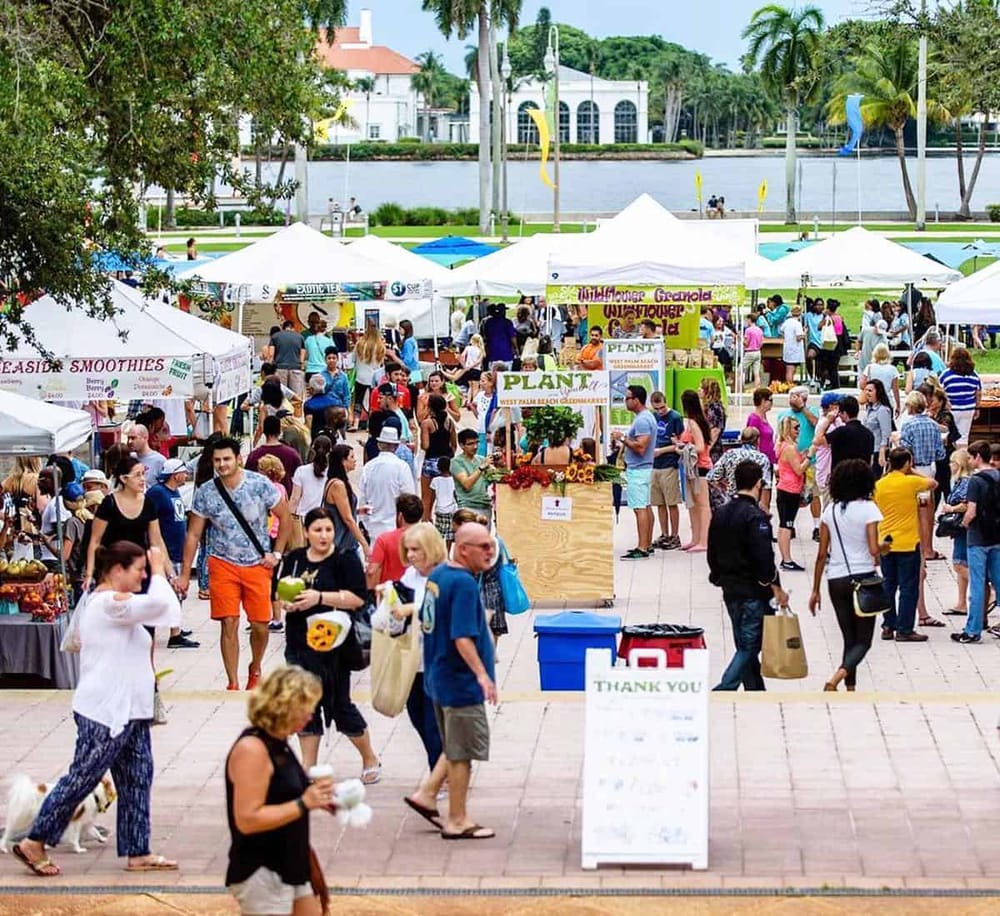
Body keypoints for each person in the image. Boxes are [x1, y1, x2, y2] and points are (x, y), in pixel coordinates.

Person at [13, 543, 180, 878]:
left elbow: (164, 614)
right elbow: (167, 610)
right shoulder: (108, 604)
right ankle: (35, 840)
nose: (144, 577)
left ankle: (138, 850)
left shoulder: (117, 605)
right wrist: (159, 569)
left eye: (145, 571)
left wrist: (154, 572)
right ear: (117, 570)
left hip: (130, 712)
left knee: (137, 778)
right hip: (105, 712)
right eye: (138, 570)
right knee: (83, 777)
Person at [178, 438, 290, 691]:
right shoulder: (206, 492)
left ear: (238, 459)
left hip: (257, 562)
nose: (222, 464)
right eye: (217, 460)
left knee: (260, 624)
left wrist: (277, 553)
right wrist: (185, 573)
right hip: (221, 562)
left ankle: (255, 666)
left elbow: (285, 517)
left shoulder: (259, 484)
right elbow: (193, 534)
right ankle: (232, 682)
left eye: (227, 459)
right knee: (228, 622)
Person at [225, 665, 330, 916]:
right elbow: (247, 819)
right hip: (262, 871)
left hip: (290, 863)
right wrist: (303, 803)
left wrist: (322, 797)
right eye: (305, 708)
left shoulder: (278, 743)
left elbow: (284, 792)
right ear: (285, 707)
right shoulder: (252, 750)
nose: (310, 716)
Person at [279, 509, 377, 778]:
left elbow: (358, 598)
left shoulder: (345, 559)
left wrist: (320, 597)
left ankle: (369, 757)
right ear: (307, 532)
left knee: (339, 705)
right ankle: (308, 767)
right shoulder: (296, 559)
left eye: (328, 530)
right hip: (300, 643)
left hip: (335, 645)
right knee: (305, 705)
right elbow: (281, 591)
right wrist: (288, 603)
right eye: (317, 530)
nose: (323, 536)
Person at [420, 520, 498, 840]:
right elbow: (462, 637)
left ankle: (431, 797)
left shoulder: (438, 575)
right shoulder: (464, 584)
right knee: (461, 752)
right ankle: (457, 819)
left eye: (491, 545)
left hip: (438, 678)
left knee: (453, 748)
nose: (490, 552)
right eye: (484, 546)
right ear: (463, 550)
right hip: (460, 683)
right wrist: (482, 675)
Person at [373, 524, 449, 825]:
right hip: (413, 661)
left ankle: (438, 778)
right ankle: (441, 772)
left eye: (416, 549)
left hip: (437, 660)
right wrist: (389, 599)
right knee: (417, 715)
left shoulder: (446, 576)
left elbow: (441, 609)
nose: (411, 555)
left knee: (432, 724)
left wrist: (411, 609)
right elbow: (398, 603)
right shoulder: (410, 576)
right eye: (408, 550)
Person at [707, 461, 788, 692]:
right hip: (753, 591)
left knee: (743, 642)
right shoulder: (755, 517)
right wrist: (775, 586)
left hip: (730, 588)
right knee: (750, 646)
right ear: (758, 483)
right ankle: (724, 689)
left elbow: (712, 551)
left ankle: (755, 690)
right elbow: (764, 558)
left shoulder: (721, 512)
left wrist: (718, 576)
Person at [809, 460, 884, 692]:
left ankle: (850, 688)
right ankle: (837, 677)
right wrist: (885, 547)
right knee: (864, 641)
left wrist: (815, 590)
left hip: (836, 578)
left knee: (849, 638)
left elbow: (821, 554)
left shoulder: (830, 511)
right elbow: (873, 549)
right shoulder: (868, 508)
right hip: (863, 578)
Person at [874, 447, 936, 643]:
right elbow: (933, 483)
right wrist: (913, 471)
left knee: (888, 585)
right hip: (907, 542)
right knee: (908, 587)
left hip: (885, 541)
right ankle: (904, 629)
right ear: (907, 463)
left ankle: (887, 625)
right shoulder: (911, 482)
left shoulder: (879, 484)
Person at [84, 456, 172, 589]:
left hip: (140, 568)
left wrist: (169, 574)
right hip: (114, 569)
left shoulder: (148, 503)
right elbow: (95, 541)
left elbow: (157, 542)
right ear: (124, 479)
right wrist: (89, 574)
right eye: (137, 475)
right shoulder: (109, 504)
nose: (142, 479)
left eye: (143, 474)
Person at [145, 459, 200, 649]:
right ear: (175, 474)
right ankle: (174, 634)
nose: (186, 475)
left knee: (178, 592)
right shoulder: (158, 493)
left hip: (178, 548)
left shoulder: (173, 492)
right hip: (167, 549)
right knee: (173, 590)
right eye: (184, 472)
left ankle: (176, 627)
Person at [952, 440, 1000, 644]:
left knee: (978, 583)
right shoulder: (998, 476)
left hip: (978, 537)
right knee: (998, 580)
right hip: (997, 536)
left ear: (978, 457)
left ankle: (973, 629)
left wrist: (963, 524)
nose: (970, 461)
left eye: (971, 457)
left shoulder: (975, 481)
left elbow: (971, 511)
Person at [613, 385, 657, 560]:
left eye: (627, 398)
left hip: (639, 469)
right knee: (645, 506)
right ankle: (647, 543)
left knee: (640, 508)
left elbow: (640, 447)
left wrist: (622, 438)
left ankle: (642, 547)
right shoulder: (645, 417)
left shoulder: (642, 420)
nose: (625, 401)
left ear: (636, 400)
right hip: (643, 468)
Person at [360, 428, 418, 543]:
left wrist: (364, 523)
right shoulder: (402, 467)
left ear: (379, 445)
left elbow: (362, 500)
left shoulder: (368, 467)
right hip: (395, 529)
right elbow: (410, 499)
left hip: (373, 529)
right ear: (396, 447)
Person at [780, 386, 821, 541]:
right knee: (791, 494)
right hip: (790, 462)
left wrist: (803, 408)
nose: (792, 400)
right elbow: (779, 435)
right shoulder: (784, 414)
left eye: (796, 396)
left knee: (814, 494)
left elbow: (817, 425)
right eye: (791, 396)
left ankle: (816, 526)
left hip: (810, 461)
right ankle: (790, 525)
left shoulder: (812, 411)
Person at [321, 443, 371, 560]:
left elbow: (342, 510)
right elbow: (347, 518)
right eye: (351, 457)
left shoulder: (341, 482)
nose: (355, 460)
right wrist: (364, 543)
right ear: (343, 461)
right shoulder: (338, 485)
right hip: (341, 543)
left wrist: (357, 511)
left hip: (346, 541)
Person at [677, 389, 712, 552]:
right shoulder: (696, 421)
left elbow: (700, 447)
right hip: (692, 467)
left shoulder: (693, 423)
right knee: (693, 505)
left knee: (703, 505)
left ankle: (704, 541)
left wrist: (684, 448)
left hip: (700, 468)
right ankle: (696, 538)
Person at [649, 391, 685, 550]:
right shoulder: (653, 417)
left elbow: (681, 443)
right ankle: (664, 533)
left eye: (662, 408)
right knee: (659, 502)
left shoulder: (675, 417)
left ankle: (675, 535)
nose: (660, 411)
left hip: (669, 463)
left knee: (671, 502)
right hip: (655, 464)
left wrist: (662, 451)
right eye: (657, 409)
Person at [774, 416, 810, 572]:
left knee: (784, 524)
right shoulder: (789, 448)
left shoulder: (782, 445)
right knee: (787, 525)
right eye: (796, 428)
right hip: (790, 489)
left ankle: (785, 558)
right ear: (788, 429)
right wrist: (809, 457)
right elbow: (799, 470)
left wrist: (802, 456)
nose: (798, 431)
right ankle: (787, 559)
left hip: (784, 488)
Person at [366, 493, 425, 588]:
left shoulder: (384, 540)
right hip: (418, 592)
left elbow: (372, 571)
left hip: (390, 593)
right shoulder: (428, 539)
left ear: (400, 516)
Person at [707, 427, 772, 506]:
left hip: (730, 503)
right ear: (758, 440)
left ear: (741, 439)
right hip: (752, 504)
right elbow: (766, 486)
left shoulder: (729, 454)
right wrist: (765, 508)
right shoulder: (762, 458)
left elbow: (711, 477)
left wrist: (723, 486)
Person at [942, 448, 972, 617]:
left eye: (952, 462)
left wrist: (950, 508)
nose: (950, 465)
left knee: (959, 564)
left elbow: (966, 504)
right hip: (960, 529)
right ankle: (961, 603)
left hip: (963, 527)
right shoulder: (959, 481)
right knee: (963, 564)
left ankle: (987, 589)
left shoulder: (965, 482)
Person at [419, 394, 457, 521]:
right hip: (446, 462)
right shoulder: (450, 423)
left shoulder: (427, 423)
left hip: (431, 460)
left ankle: (426, 519)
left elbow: (425, 445)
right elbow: (454, 445)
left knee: (426, 496)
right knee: (443, 494)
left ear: (430, 407)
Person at [246, 415, 302, 498]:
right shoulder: (292, 453)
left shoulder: (254, 455)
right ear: (280, 431)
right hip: (286, 498)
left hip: (261, 499)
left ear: (264, 431)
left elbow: (247, 479)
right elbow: (300, 477)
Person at [939, 346, 982, 445]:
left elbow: (940, 390)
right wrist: (977, 408)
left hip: (951, 409)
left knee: (949, 435)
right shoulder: (974, 374)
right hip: (968, 409)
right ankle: (962, 452)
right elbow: (978, 392)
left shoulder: (946, 374)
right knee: (964, 436)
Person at [452, 428, 494, 519]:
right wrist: (481, 468)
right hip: (468, 507)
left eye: (477, 443)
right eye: (470, 444)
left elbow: (494, 477)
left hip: (485, 506)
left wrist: (499, 464)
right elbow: (467, 484)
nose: (475, 447)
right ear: (461, 445)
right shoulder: (456, 462)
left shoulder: (481, 459)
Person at [824, 395, 874, 470]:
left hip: (841, 474)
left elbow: (818, 440)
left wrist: (828, 421)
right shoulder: (869, 434)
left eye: (840, 412)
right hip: (862, 474)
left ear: (845, 413)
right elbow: (870, 461)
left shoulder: (840, 432)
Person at [862, 379, 894, 478]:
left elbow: (886, 433)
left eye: (870, 391)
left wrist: (882, 451)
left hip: (877, 450)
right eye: (866, 390)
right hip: (868, 449)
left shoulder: (883, 410)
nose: (867, 393)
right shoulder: (869, 408)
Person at [860, 343, 902, 417]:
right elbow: (895, 390)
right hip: (887, 400)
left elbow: (862, 385)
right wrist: (898, 405)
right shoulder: (893, 369)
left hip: (872, 400)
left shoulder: (869, 367)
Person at [430, 456, 458, 541]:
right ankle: (448, 549)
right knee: (450, 535)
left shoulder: (435, 480)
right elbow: (456, 496)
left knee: (439, 534)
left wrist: (429, 512)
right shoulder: (454, 480)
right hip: (451, 510)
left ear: (438, 467)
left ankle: (440, 548)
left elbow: (432, 498)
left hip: (440, 510)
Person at [481, 303, 517, 369]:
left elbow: (485, 337)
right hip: (506, 354)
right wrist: (516, 348)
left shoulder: (488, 322)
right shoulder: (507, 322)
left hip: (492, 353)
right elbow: (513, 337)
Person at [700, 378, 727, 465]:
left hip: (713, 451)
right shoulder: (708, 407)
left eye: (702, 388)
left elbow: (715, 431)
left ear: (708, 392)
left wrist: (706, 450)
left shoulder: (715, 408)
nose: (699, 390)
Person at [782, 305, 806, 383]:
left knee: (790, 369)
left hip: (787, 348)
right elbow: (798, 337)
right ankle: (789, 386)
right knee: (791, 370)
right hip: (795, 350)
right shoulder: (797, 324)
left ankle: (790, 384)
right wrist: (804, 333)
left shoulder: (787, 322)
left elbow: (781, 331)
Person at [742, 315, 763, 388]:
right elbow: (761, 343)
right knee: (756, 373)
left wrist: (741, 339)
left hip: (750, 352)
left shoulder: (748, 330)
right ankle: (757, 388)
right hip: (758, 352)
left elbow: (746, 343)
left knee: (740, 370)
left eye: (747, 320)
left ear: (749, 320)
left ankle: (739, 388)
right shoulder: (759, 330)